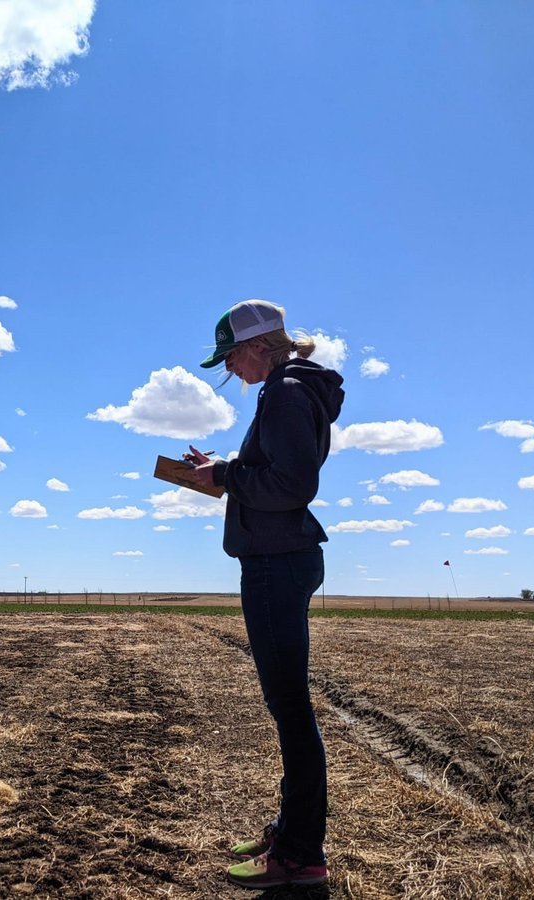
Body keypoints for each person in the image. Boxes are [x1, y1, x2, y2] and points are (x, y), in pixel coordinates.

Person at [186, 298, 344, 890]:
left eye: (230, 358)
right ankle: (293, 830)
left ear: (257, 347)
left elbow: (292, 482)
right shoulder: (292, 389)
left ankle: (301, 854)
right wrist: (225, 467)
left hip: (277, 562)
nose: (230, 371)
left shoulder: (283, 392)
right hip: (280, 557)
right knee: (288, 706)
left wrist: (225, 476)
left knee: (290, 708)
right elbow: (280, 472)